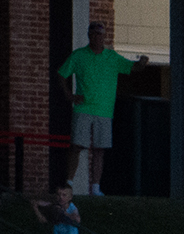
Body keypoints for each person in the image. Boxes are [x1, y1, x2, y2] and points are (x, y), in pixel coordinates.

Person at [56, 21, 149, 197]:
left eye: (99, 34)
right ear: (88, 35)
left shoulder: (112, 57)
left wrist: (142, 62)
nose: (96, 37)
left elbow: (132, 67)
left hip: (104, 110)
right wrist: (69, 95)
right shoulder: (79, 55)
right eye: (93, 34)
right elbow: (61, 74)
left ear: (104, 36)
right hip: (83, 107)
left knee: (99, 149)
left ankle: (95, 187)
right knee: (76, 146)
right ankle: (69, 183)